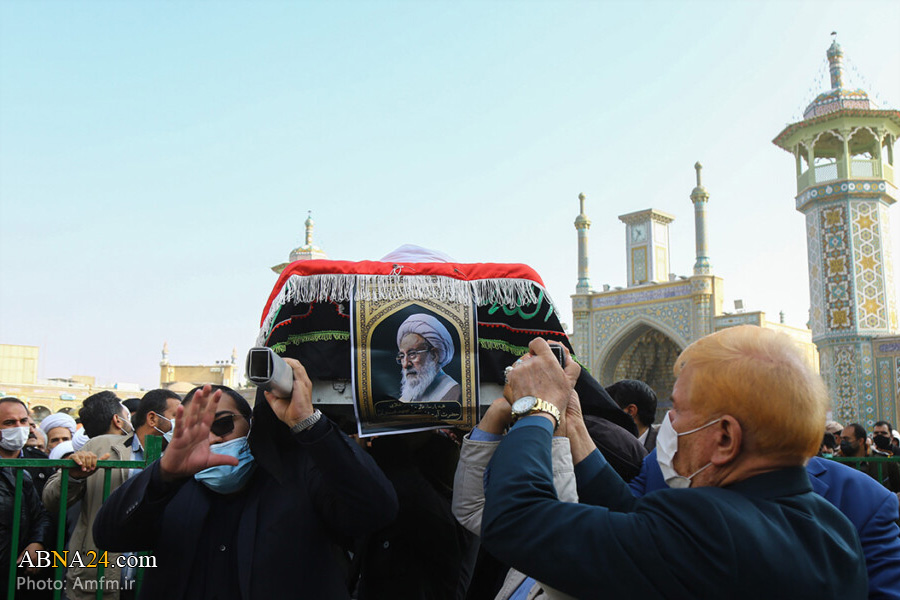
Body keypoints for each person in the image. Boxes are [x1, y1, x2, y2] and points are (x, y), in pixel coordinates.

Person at [481, 327, 867, 599]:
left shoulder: (710, 529)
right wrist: (574, 423)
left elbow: (517, 520)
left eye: (679, 410)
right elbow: (635, 518)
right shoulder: (833, 528)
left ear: (725, 438)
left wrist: (536, 407)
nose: (671, 424)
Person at [93, 358, 399, 599]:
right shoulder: (167, 491)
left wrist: (309, 423)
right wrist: (164, 475)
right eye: (196, 431)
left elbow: (376, 508)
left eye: (222, 424)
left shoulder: (298, 478)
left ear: (250, 426)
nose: (211, 439)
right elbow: (109, 535)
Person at [42, 396, 138, 599]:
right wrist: (73, 476)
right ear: (118, 420)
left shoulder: (156, 450)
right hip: (97, 572)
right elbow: (51, 499)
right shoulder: (94, 449)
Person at [0, 398, 52, 598]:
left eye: (23, 421)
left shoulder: (40, 463)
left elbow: (44, 512)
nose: (19, 427)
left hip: (23, 575)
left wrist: (38, 542)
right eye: (9, 423)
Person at [396, 313, 461, 403]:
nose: (405, 364)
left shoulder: (453, 393)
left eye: (412, 354)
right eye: (402, 356)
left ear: (434, 355)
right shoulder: (407, 396)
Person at [841, 423, 900, 493]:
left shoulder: (884, 461)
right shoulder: (838, 462)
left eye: (846, 439)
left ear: (860, 441)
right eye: (841, 439)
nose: (843, 442)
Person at [606, 379, 658, 451]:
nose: (606, 418)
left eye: (611, 410)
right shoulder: (606, 443)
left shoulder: (664, 448)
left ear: (630, 411)